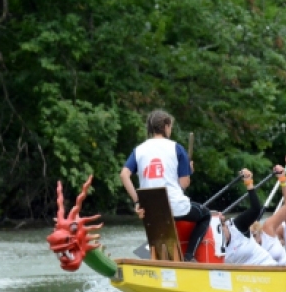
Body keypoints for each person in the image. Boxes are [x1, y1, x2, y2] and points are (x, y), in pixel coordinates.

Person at [119, 110, 211, 262]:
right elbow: (184, 184)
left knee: (166, 215)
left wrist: (138, 201)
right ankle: (189, 257)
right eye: (170, 127)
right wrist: (189, 172)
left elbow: (124, 175)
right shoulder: (176, 148)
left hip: (151, 211)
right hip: (174, 206)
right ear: (166, 126)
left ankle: (161, 258)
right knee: (205, 214)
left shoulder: (139, 150)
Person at [220, 168, 277, 266]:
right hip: (244, 277)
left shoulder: (237, 225)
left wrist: (248, 183)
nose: (221, 235)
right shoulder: (214, 244)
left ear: (224, 224)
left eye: (221, 229)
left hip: (265, 266)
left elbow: (255, 209)